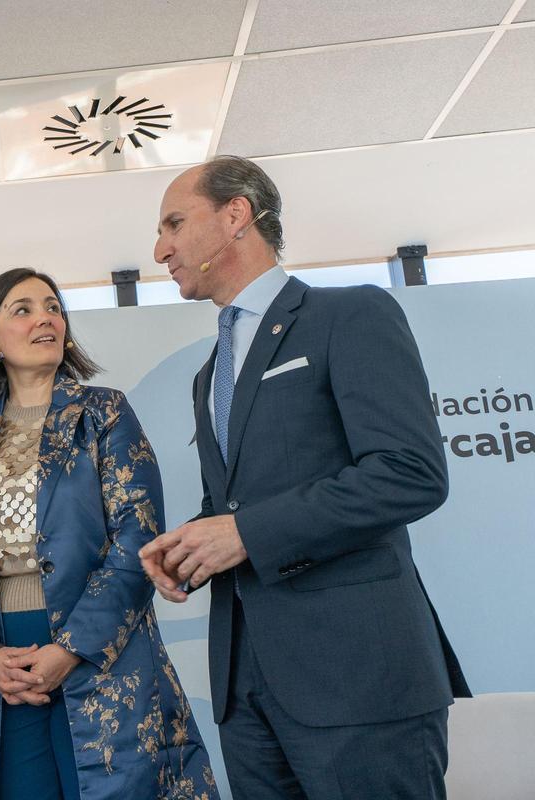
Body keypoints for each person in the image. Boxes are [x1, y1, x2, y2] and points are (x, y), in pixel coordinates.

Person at [139, 155, 471, 799]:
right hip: (246, 689)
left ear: (236, 215)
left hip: (358, 678)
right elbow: (235, 505)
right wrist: (192, 546)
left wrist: (246, 533)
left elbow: (410, 474)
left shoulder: (350, 316)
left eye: (175, 223)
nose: (161, 249)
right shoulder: (210, 373)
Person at [0, 268, 214, 800]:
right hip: (1, 667)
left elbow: (137, 536)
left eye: (53, 307)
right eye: (24, 309)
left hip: (99, 654)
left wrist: (71, 648)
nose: (46, 318)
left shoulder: (104, 412)